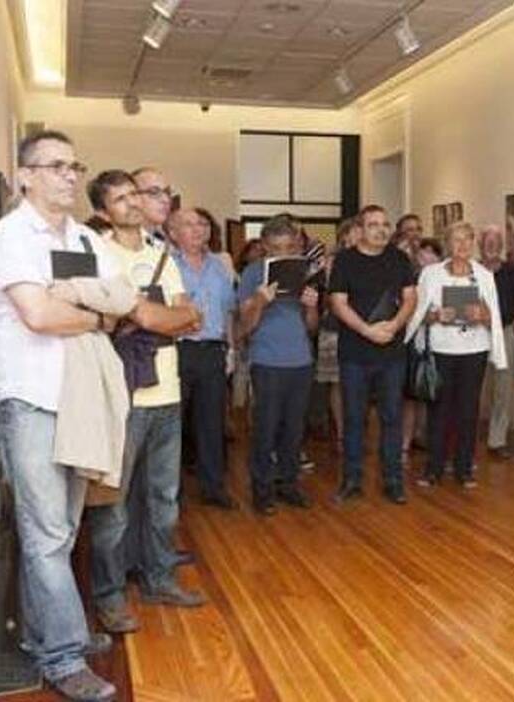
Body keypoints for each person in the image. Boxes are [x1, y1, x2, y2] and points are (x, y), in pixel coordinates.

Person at [0, 132, 175, 701]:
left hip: (81, 398)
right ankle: (64, 656)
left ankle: (47, 633)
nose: (69, 175)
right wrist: (92, 311)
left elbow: (121, 304)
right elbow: (40, 315)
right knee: (46, 535)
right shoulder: (10, 236)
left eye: (74, 166)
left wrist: (81, 300)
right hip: (30, 399)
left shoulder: (86, 238)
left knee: (64, 531)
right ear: (25, 176)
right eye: (55, 166)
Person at [84, 169, 207, 637]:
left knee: (164, 499)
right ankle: (109, 595)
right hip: (119, 396)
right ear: (103, 211)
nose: (133, 203)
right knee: (112, 506)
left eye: (136, 194)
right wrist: (162, 316)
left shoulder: (161, 255)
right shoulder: (98, 254)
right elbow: (138, 317)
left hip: (167, 392)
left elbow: (190, 317)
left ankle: (159, 579)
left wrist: (153, 315)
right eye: (121, 198)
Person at [328, 205, 418, 504]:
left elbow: (410, 298)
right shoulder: (345, 260)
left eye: (385, 224)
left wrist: (394, 326)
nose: (381, 230)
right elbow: (338, 303)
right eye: (373, 225)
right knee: (354, 418)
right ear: (360, 230)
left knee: (392, 417)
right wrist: (367, 331)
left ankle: (392, 480)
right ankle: (351, 480)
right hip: (355, 353)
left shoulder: (399, 259)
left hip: (392, 353)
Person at [406, 222, 507, 488]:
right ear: (448, 244)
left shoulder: (484, 275)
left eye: (467, 239)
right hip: (442, 349)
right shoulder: (431, 274)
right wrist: (436, 315)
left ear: (473, 243)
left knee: (468, 410)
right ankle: (433, 468)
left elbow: (494, 318)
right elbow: (416, 315)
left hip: (474, 350)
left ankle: (464, 467)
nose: (462, 245)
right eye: (456, 240)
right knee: (438, 409)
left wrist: (481, 315)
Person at [238, 214, 321, 514]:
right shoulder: (252, 273)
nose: (283, 254)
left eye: (289, 247)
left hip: (300, 360)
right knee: (266, 427)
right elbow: (245, 327)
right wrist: (260, 302)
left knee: (294, 429)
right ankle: (261, 490)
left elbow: (312, 327)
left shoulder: (304, 271)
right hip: (267, 360)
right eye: (276, 249)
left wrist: (311, 307)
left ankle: (289, 484)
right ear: (264, 246)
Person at [171, 207, 238, 509]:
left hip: (213, 350)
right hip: (178, 349)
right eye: (189, 224)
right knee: (174, 424)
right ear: (173, 233)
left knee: (212, 421)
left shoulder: (220, 266)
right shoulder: (166, 264)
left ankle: (213, 487)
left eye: (202, 224)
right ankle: (171, 492)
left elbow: (228, 311)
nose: (198, 229)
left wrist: (231, 349)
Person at [315, 218, 361, 449]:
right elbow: (326, 298)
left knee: (358, 383)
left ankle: (356, 431)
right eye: (354, 233)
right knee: (336, 381)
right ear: (344, 237)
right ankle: (342, 433)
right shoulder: (332, 261)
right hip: (334, 326)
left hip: (362, 328)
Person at [478, 224, 514, 460]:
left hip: (504, 333)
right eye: (488, 242)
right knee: (473, 387)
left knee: (502, 389)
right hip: (476, 334)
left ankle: (497, 440)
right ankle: (466, 437)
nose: (492, 246)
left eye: (496, 242)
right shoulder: (472, 270)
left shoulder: (511, 271)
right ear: (480, 245)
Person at [401, 237, 444, 459]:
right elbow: (408, 312)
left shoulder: (446, 279)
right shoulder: (411, 280)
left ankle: (426, 438)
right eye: (423, 252)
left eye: (433, 252)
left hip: (440, 344)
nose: (427, 256)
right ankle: (405, 442)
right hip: (415, 343)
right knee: (410, 394)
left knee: (432, 393)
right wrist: (426, 317)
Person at [132, 166, 175, 247]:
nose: (166, 200)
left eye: (167, 192)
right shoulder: (115, 245)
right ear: (133, 197)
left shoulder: (165, 242)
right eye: (154, 192)